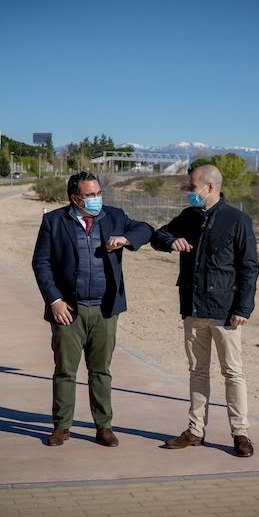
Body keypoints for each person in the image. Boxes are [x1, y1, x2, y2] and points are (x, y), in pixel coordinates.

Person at [33, 171, 153, 447]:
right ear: (75, 198)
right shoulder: (54, 221)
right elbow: (41, 264)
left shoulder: (114, 217)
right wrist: (54, 300)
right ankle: (62, 426)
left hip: (105, 309)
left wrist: (126, 240)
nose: (97, 199)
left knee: (101, 370)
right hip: (68, 310)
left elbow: (145, 229)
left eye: (98, 193)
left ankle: (104, 426)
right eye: (90, 195)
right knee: (65, 371)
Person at [151, 164, 259, 458]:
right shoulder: (189, 217)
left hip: (226, 312)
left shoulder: (237, 220)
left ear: (210, 187)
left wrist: (243, 308)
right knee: (197, 371)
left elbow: (249, 268)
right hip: (194, 307)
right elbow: (157, 236)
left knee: (233, 373)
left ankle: (240, 433)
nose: (189, 192)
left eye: (192, 187)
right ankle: (195, 430)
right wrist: (171, 241)